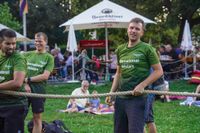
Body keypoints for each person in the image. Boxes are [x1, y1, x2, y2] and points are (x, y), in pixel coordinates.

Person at [105, 18, 163, 133]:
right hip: (121, 98)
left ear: (142, 32)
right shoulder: (120, 49)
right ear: (127, 30)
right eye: (131, 28)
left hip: (137, 99)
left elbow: (158, 71)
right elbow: (118, 73)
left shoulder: (147, 49)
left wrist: (142, 85)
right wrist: (112, 93)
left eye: (137, 29)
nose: (133, 31)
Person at [24, 32, 54, 133]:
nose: (37, 43)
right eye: (36, 41)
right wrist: (25, 83)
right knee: (19, 117)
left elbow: (45, 76)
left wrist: (28, 79)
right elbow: (20, 71)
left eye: (40, 41)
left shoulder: (49, 57)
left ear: (45, 42)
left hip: (39, 91)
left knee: (37, 118)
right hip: (23, 90)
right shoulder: (27, 54)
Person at [0, 29, 27, 133]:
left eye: (14, 43)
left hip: (14, 106)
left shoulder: (18, 58)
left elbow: (17, 83)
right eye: (7, 43)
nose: (11, 47)